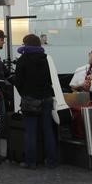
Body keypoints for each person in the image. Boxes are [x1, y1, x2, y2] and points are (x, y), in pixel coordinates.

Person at [12, 34, 58, 169]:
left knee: (31, 131)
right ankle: (52, 161)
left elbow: (18, 82)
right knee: (48, 130)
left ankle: (30, 162)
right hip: (46, 98)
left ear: (26, 44)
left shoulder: (23, 60)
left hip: (30, 99)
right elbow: (51, 80)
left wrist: (25, 94)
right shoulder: (46, 59)